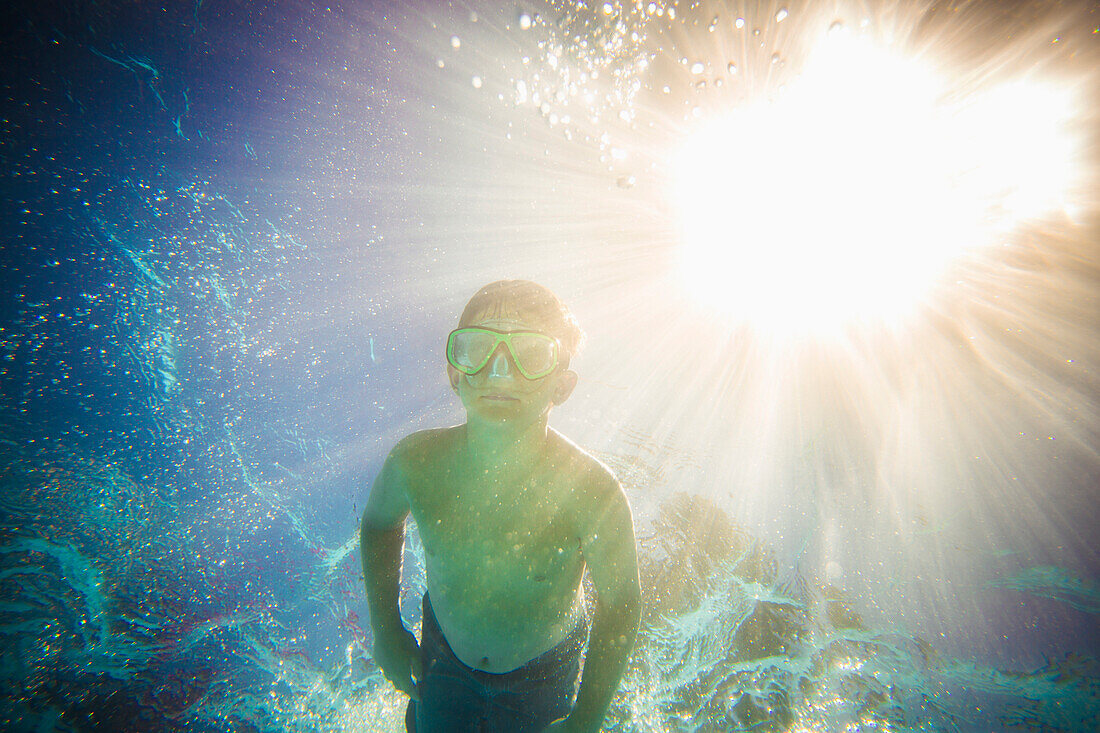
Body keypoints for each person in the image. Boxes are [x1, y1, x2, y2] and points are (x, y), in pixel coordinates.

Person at [360, 280, 641, 732]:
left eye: (530, 356)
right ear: (455, 373)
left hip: (543, 676)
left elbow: (622, 604)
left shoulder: (593, 492)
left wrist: (587, 718)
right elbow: (378, 524)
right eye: (476, 349)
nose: (500, 372)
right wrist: (386, 629)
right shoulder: (414, 462)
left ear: (562, 385)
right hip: (442, 656)